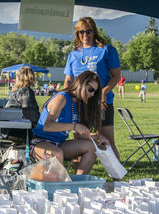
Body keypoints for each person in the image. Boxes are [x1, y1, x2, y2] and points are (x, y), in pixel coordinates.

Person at [64, 17, 121, 159]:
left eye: (88, 31)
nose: (84, 35)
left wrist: (102, 93)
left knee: (107, 142)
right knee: (79, 142)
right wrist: (65, 99)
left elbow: (116, 76)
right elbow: (68, 81)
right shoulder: (74, 53)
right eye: (80, 32)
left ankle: (117, 180)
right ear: (76, 34)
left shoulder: (106, 50)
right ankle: (79, 178)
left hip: (102, 103)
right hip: (79, 104)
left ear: (94, 31)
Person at [32, 71, 109, 175]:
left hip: (60, 144)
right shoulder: (62, 98)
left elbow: (77, 134)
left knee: (91, 147)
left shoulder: (78, 103)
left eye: (94, 92)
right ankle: (61, 188)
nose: (92, 94)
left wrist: (96, 137)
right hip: (40, 142)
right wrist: (75, 126)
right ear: (81, 83)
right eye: (90, 89)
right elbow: (47, 126)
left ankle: (79, 183)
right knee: (57, 153)